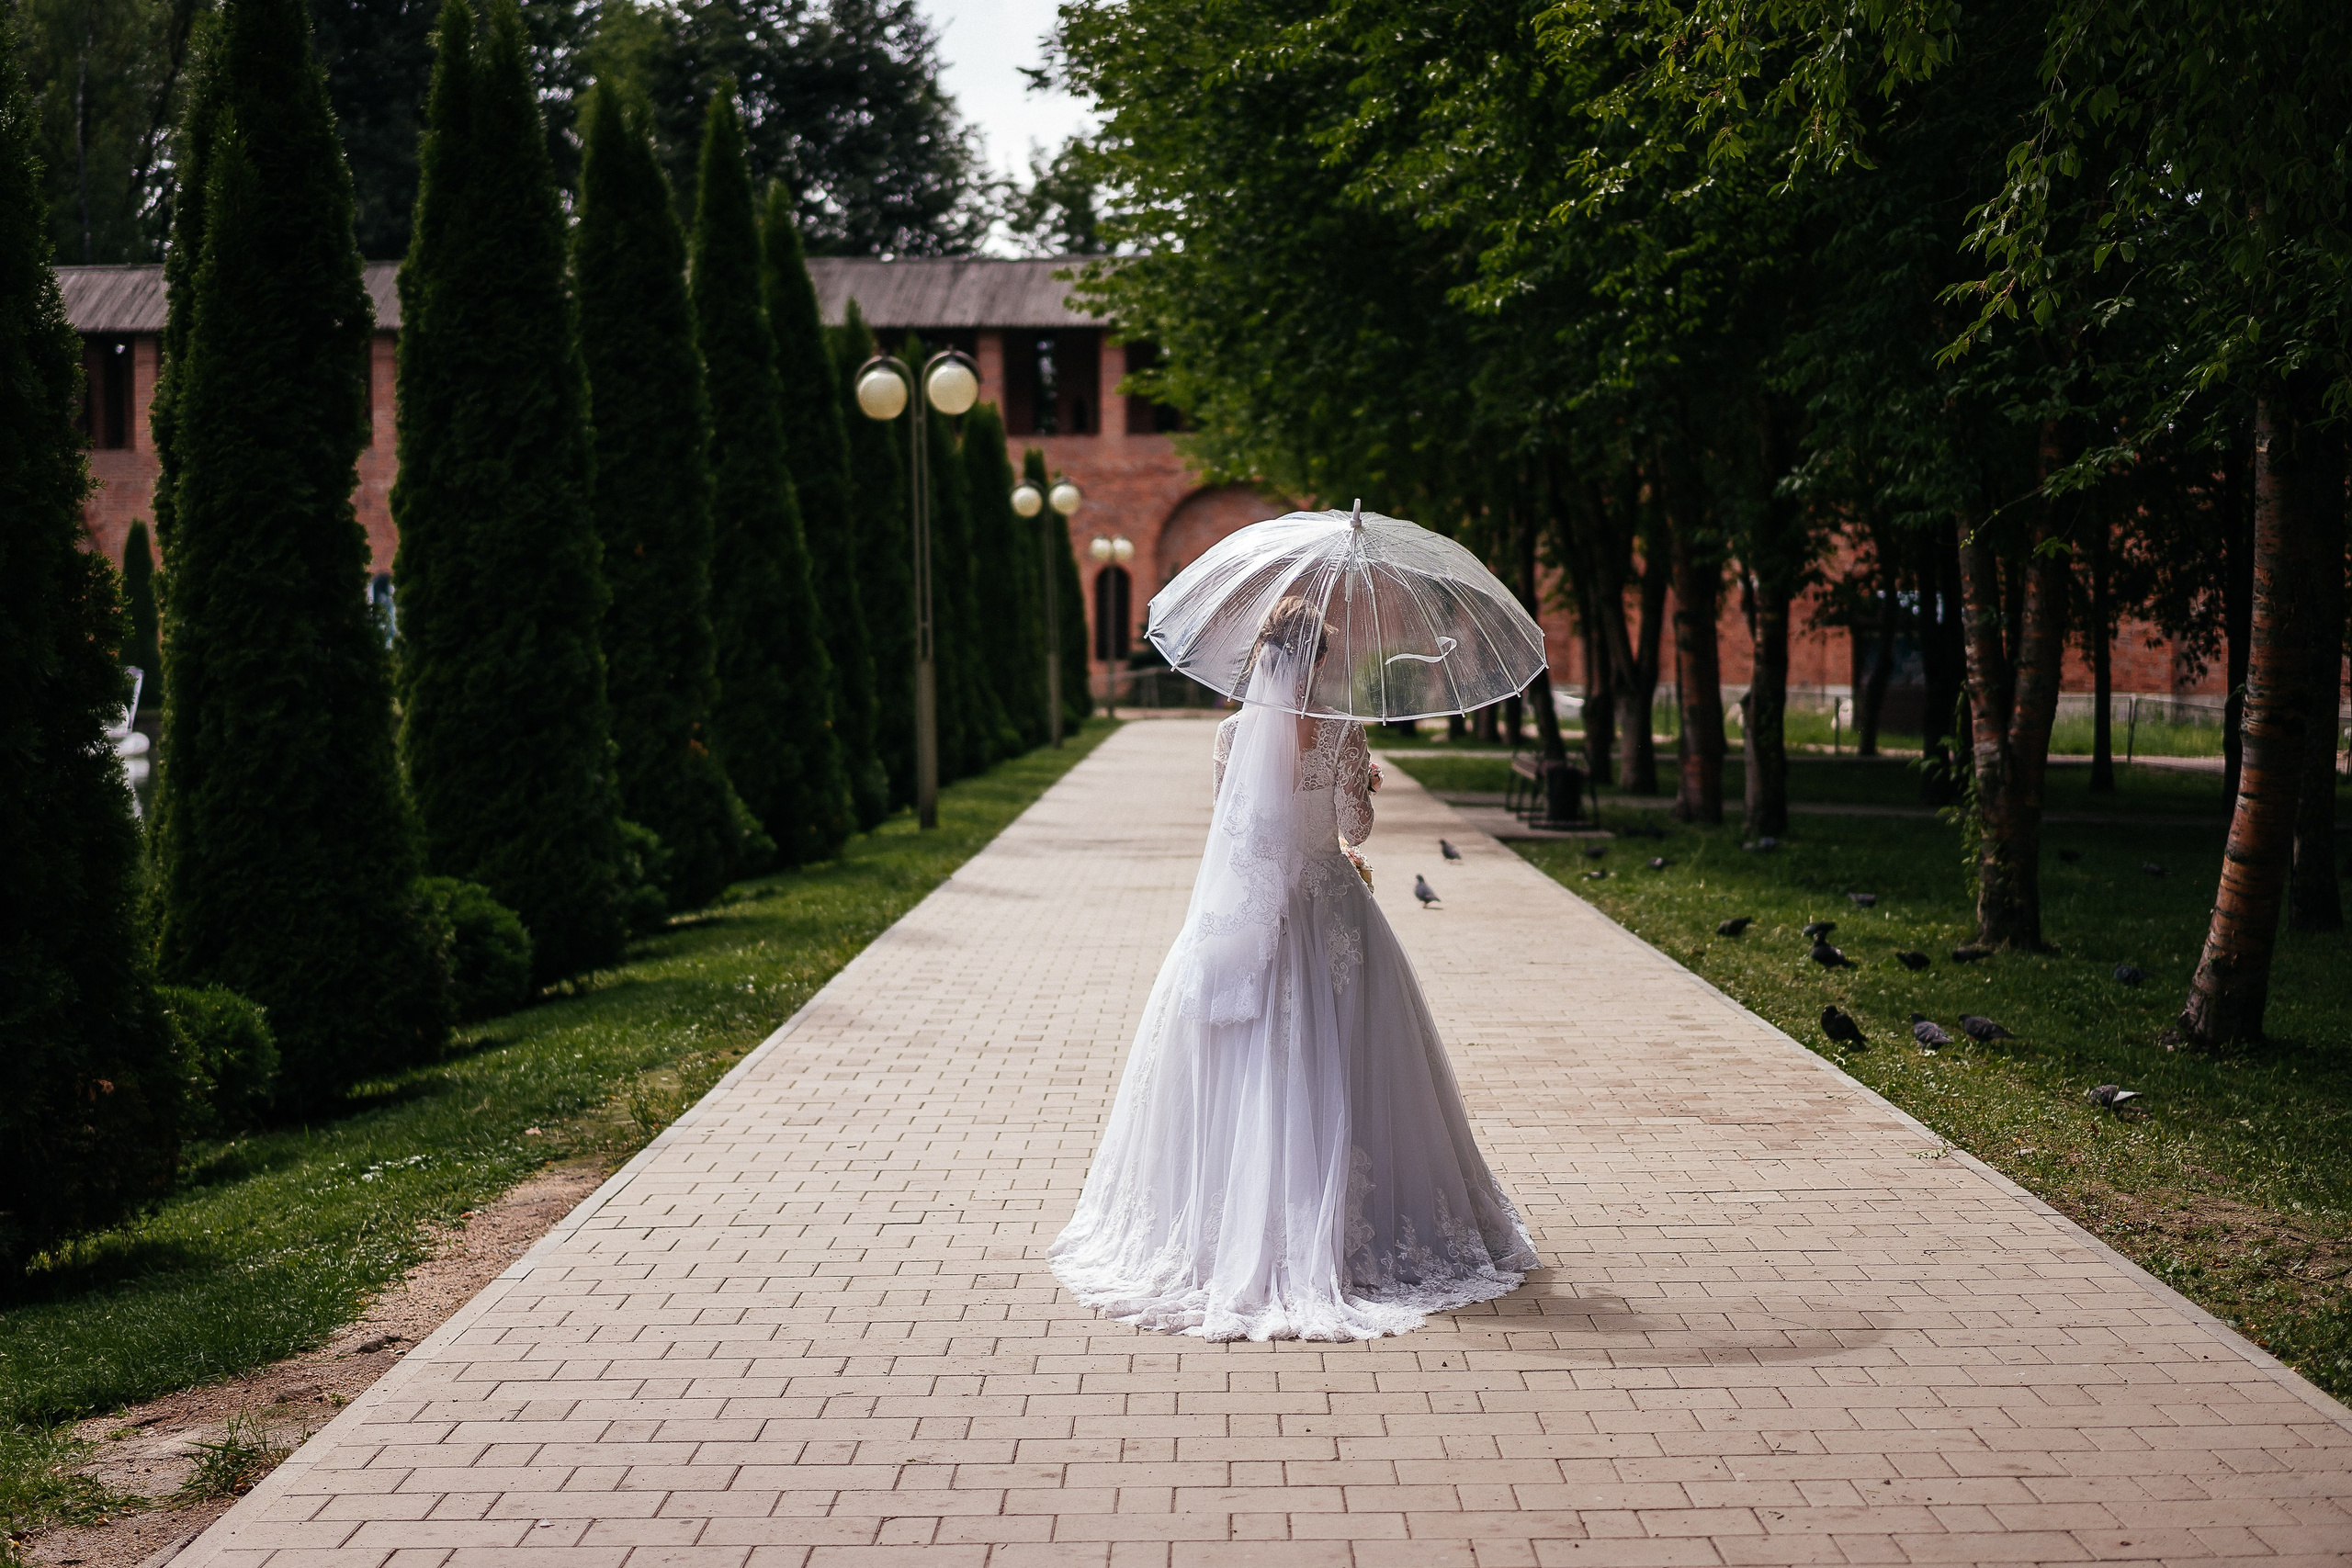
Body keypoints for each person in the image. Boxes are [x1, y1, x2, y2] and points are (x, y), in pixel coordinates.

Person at [1049, 596, 1536, 1340]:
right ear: (1316, 661)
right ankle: (1349, 1233)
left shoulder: (1229, 734)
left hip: (1251, 914)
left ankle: (1236, 1229)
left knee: (1252, 1069)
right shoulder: (1342, 730)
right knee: (1347, 1059)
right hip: (1331, 908)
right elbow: (1355, 829)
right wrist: (1363, 777)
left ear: (1264, 656)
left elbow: (1232, 833)